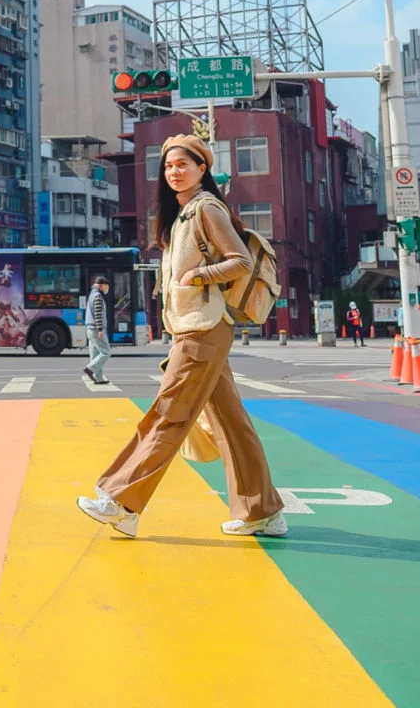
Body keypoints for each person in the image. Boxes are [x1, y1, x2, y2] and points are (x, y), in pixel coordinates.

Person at [76, 134, 286, 540]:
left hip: (203, 328)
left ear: (202, 169)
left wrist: (198, 275)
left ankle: (123, 504)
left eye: (183, 165)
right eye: (169, 166)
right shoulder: (184, 213)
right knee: (230, 423)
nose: (174, 172)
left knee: (169, 414)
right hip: (196, 327)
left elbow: (239, 261)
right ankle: (262, 511)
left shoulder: (207, 207)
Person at [83, 275, 111, 385]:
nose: (107, 288)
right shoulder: (98, 296)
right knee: (106, 352)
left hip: (90, 329)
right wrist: (100, 329)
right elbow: (98, 314)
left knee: (95, 354)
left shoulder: (91, 295)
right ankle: (90, 368)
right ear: (101, 285)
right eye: (106, 286)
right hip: (96, 329)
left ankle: (98, 378)